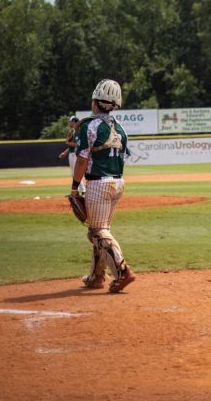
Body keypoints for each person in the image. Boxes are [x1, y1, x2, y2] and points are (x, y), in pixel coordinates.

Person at [71, 79, 136, 293]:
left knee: (96, 232)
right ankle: (96, 276)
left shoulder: (89, 126)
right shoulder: (121, 129)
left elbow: (81, 159)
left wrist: (74, 187)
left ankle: (122, 271)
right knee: (102, 232)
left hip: (99, 183)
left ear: (96, 102)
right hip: (118, 183)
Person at [58, 115, 86, 194]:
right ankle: (81, 189)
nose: (70, 123)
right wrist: (65, 153)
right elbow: (71, 146)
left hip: (75, 154)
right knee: (74, 173)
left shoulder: (77, 131)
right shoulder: (73, 131)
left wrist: (67, 142)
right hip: (72, 153)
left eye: (71, 121)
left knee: (76, 173)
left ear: (74, 122)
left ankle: (83, 189)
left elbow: (77, 144)